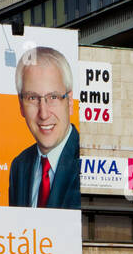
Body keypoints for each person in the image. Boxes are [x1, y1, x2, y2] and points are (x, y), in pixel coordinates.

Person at [7, 46, 82, 211]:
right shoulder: (19, 166)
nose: (43, 113)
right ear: (21, 105)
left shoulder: (88, 161)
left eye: (53, 97)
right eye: (32, 98)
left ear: (69, 102)